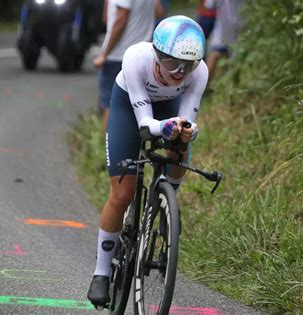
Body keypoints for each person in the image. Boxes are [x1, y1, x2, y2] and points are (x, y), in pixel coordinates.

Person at [87, 15, 208, 307]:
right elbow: (145, 125)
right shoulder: (135, 58)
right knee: (123, 194)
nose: (180, 73)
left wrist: (186, 130)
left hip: (167, 108)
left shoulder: (200, 72)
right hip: (130, 107)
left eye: (187, 65)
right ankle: (101, 273)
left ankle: (166, 202)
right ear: (157, 53)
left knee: (180, 140)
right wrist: (163, 126)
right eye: (172, 64)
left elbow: (187, 120)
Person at [93, 0, 156, 129]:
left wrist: (104, 54)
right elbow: (159, 11)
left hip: (118, 55)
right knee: (139, 107)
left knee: (111, 106)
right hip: (144, 55)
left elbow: (120, 20)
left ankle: (108, 147)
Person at [206, 0, 244, 82]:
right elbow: (210, 4)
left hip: (232, 25)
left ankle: (219, 85)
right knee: (218, 53)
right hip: (227, 26)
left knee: (224, 55)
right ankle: (205, 85)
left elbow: (209, 5)